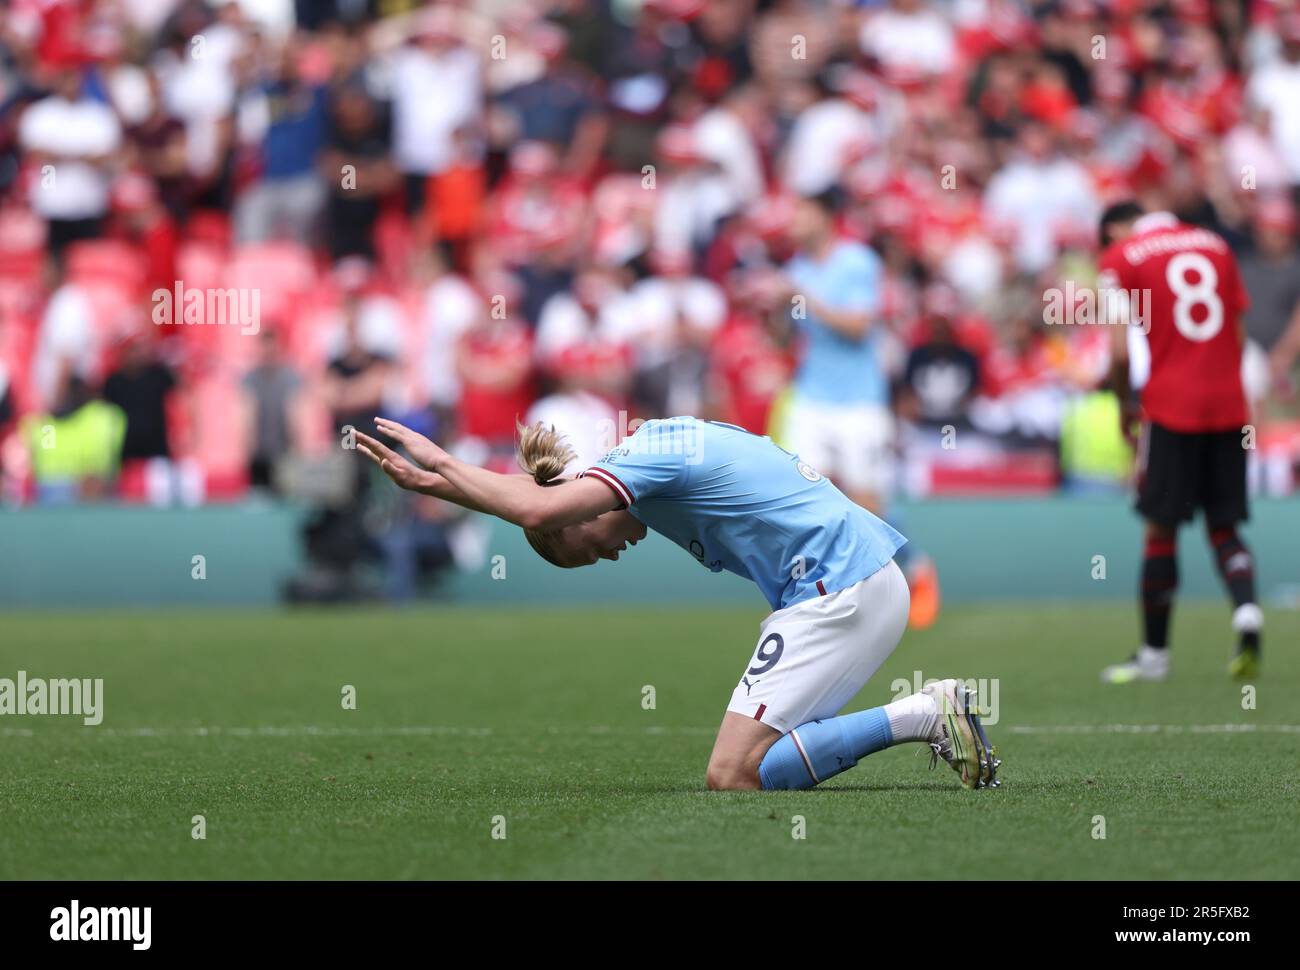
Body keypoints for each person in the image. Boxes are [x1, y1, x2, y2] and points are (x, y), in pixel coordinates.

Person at [353, 415, 1000, 792]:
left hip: (839, 589)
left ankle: (923, 712)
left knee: (732, 774)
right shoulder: (651, 458)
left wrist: (439, 468)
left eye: (588, 551)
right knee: (756, 761)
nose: (608, 556)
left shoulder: (638, 459)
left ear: (574, 516)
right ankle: (922, 713)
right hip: (852, 584)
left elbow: (535, 504)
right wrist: (446, 485)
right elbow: (542, 503)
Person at [1097, 202, 1263, 682]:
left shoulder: (1123, 256)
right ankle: (1247, 613)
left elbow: (1119, 349)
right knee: (1224, 524)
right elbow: (1237, 327)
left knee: (1161, 528)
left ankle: (1154, 656)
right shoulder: (1217, 245)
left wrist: (1125, 402)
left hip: (1170, 406)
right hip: (1229, 402)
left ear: (1116, 231)